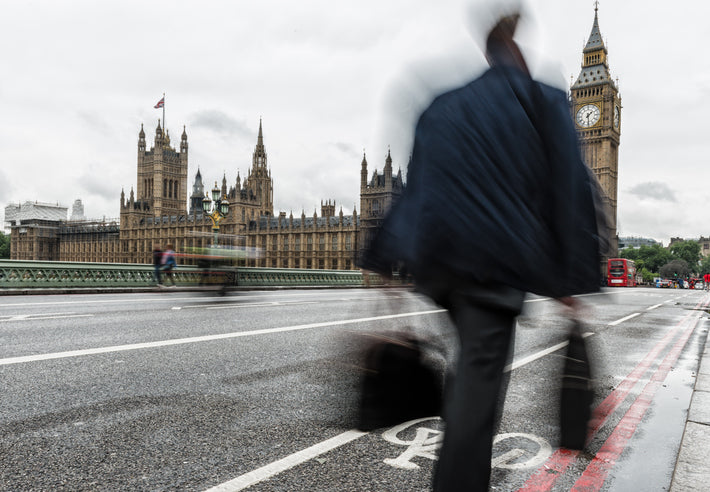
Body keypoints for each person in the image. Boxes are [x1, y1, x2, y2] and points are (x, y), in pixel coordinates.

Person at [359, 10, 605, 492]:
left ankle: (461, 418)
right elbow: (569, 189)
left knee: (470, 362)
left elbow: (417, 187)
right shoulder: (544, 100)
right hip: (494, 265)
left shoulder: (443, 105)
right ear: (515, 50)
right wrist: (572, 281)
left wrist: (384, 261)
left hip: (438, 263)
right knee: (478, 381)